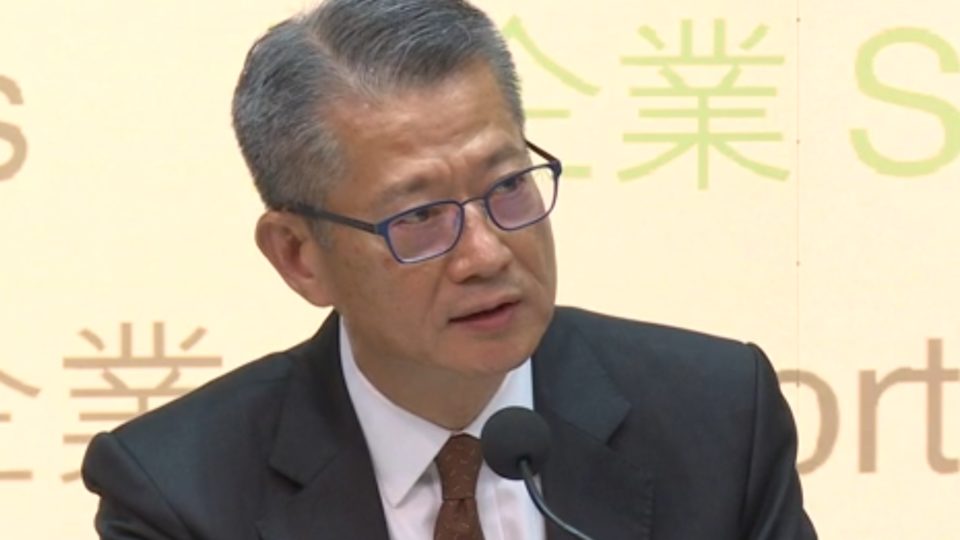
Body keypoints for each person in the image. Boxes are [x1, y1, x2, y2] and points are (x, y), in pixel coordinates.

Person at [81, 0, 817, 538]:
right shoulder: (178, 493)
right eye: (419, 217)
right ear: (299, 257)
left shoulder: (718, 418)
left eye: (508, 185)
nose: (487, 253)